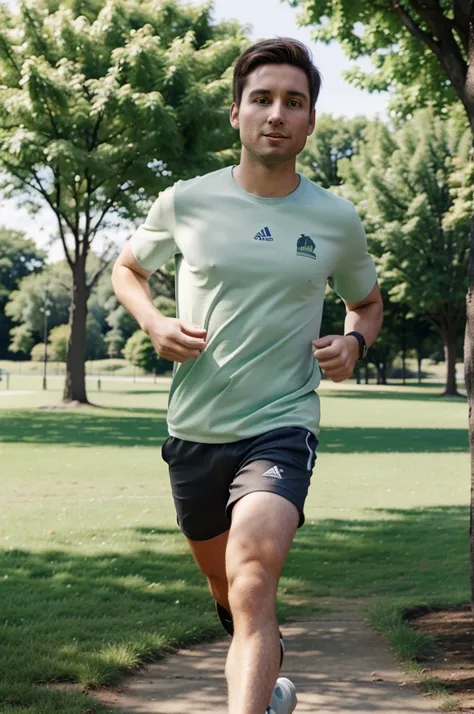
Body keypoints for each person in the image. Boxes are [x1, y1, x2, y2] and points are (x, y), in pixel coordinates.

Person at [112, 37, 383, 714]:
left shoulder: (335, 219)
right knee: (230, 594)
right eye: (261, 98)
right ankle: (265, 672)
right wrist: (153, 324)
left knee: (255, 577)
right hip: (194, 429)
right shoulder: (186, 201)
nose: (276, 113)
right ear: (236, 113)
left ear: (311, 120)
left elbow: (368, 303)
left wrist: (354, 343)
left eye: (294, 101)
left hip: (282, 425)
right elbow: (128, 270)